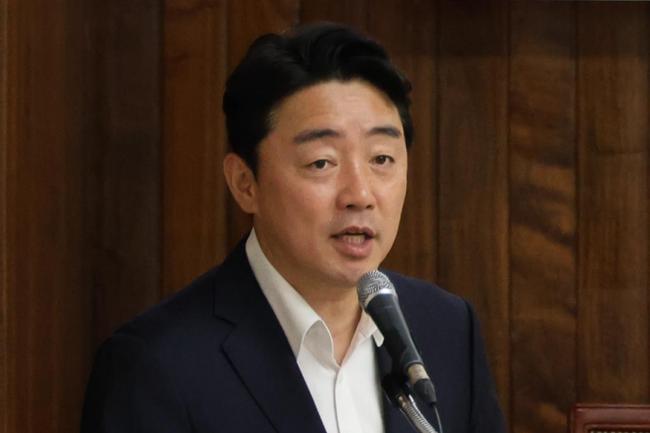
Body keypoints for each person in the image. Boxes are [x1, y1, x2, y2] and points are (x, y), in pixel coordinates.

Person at [81, 22, 505, 433]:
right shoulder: (156, 366)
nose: (360, 194)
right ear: (245, 184)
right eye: (321, 163)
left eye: (381, 159)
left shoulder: (447, 329)